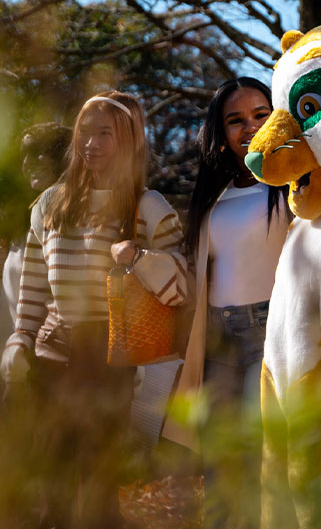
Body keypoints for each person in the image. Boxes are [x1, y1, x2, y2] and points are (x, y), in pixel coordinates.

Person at [1, 91, 187, 528]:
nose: (92, 143)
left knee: (97, 480)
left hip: (110, 355)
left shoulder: (149, 208)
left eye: (106, 133)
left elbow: (180, 291)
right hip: (52, 351)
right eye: (86, 131)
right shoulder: (50, 203)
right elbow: (32, 289)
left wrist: (138, 258)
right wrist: (19, 340)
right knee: (51, 473)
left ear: (129, 141)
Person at [162, 78, 289, 529]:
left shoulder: (296, 184)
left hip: (269, 332)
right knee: (217, 466)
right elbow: (195, 271)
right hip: (216, 339)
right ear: (220, 132)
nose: (249, 127)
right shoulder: (212, 194)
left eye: (260, 114)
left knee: (262, 455)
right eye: (235, 120)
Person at [1, 123, 72, 345]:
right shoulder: (22, 223)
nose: (27, 162)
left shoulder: (78, 222)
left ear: (65, 155)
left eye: (38, 152)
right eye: (24, 155)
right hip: (15, 358)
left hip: (53, 358)